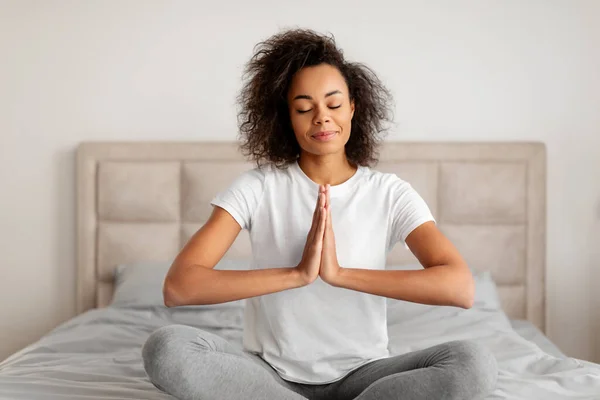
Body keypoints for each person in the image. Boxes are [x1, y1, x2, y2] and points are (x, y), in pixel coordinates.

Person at [142, 28, 498, 400]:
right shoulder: (257, 188)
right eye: (303, 108)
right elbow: (179, 286)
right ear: (286, 117)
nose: (321, 118)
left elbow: (460, 287)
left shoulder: (390, 193)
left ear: (353, 107)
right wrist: (297, 274)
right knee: (167, 347)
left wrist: (339, 275)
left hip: (366, 375)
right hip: (267, 376)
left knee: (474, 362)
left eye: (333, 104)